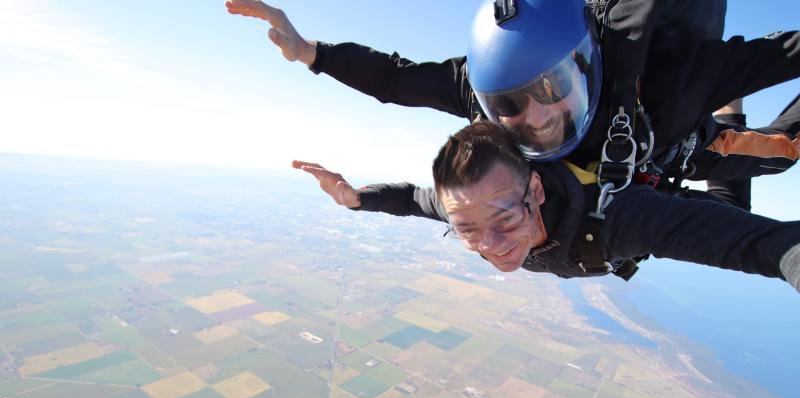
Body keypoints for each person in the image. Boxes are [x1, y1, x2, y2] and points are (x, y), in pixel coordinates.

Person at [226, 0, 799, 208]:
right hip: (643, 158)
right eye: (509, 104)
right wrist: (310, 52)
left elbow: (785, 53)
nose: (536, 116)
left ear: (586, 65)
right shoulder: (482, 94)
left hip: (677, 137)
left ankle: (728, 111)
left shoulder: (672, 75)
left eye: (550, 91)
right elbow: (397, 81)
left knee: (783, 154)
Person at [291, 121, 800, 293]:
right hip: (676, 187)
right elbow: (411, 199)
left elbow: (761, 246)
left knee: (778, 159)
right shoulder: (471, 209)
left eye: (505, 220)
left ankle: (734, 118)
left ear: (535, 190)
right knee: (734, 193)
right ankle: (732, 111)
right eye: (465, 228)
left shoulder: (618, 226)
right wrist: (357, 200)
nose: (489, 245)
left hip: (670, 180)